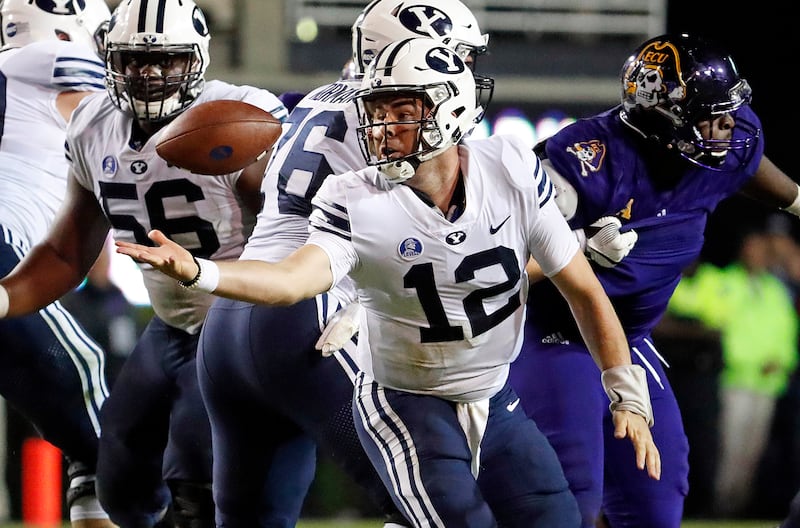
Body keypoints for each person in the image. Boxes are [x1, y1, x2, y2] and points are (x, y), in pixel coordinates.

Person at [115, 36, 660, 528]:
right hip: (405, 402)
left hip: (492, 398)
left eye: (402, 110)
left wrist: (626, 394)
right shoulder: (354, 197)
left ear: (451, 107)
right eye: (376, 112)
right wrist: (201, 271)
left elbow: (581, 288)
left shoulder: (511, 168)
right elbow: (291, 280)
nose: (383, 129)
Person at [195, 0, 493, 526]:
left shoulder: (316, 101)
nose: (463, 72)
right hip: (312, 319)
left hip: (231, 323)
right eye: (457, 57)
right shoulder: (403, 118)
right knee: (442, 507)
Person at [0, 0, 289, 525]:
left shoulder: (239, 117)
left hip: (244, 319)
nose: (148, 74)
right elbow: (69, 251)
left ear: (197, 58)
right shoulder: (93, 123)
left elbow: (288, 234)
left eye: (166, 60)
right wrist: (6, 295)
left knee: (198, 465)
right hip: (173, 321)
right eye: (132, 60)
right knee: (123, 474)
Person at [507, 33, 800, 528]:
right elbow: (498, 267)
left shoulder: (723, 144)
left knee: (655, 502)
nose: (730, 127)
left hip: (630, 337)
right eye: (713, 115)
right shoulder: (585, 161)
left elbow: (752, 170)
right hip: (552, 333)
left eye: (730, 113)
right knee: (570, 494)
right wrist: (575, 248)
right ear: (663, 116)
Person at [0, 0, 115, 526]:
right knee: (86, 385)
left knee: (80, 436)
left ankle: (94, 491)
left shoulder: (15, 74)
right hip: (5, 254)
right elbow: (125, 130)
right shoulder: (51, 59)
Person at [667, 230, 798, 517]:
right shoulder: (728, 282)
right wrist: (745, 360)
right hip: (736, 379)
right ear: (742, 251)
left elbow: (787, 329)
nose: (759, 255)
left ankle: (736, 509)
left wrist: (781, 360)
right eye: (754, 248)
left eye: (764, 251)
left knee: (751, 454)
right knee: (727, 450)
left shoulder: (774, 290)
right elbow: (723, 327)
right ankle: (717, 508)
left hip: (767, 383)